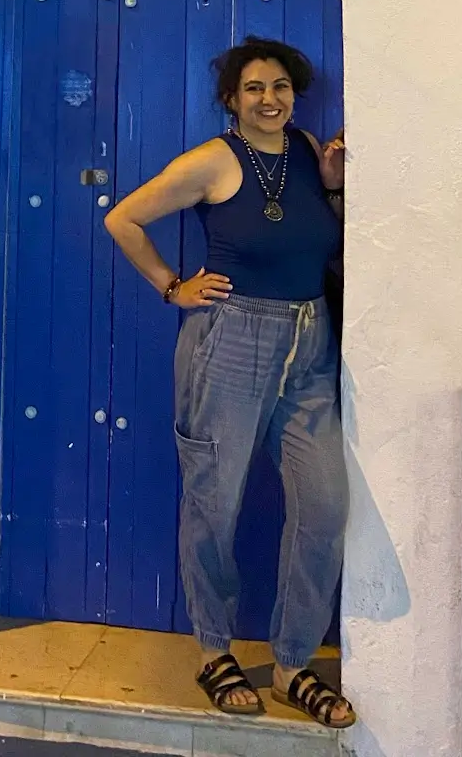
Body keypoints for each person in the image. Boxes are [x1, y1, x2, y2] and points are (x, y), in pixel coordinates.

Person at [103, 36, 354, 728]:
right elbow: (122, 218)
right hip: (231, 340)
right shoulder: (211, 162)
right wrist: (172, 286)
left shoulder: (305, 150)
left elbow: (321, 239)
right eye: (254, 89)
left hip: (310, 343)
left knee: (325, 506)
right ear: (231, 99)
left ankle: (294, 662)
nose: (268, 99)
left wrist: (331, 186)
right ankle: (215, 650)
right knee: (215, 504)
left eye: (279, 86)